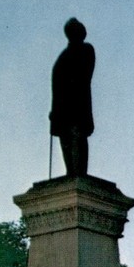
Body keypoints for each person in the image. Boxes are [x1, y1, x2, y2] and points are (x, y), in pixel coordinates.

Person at [50, 18, 95, 176]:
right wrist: (54, 108)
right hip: (62, 108)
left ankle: (78, 172)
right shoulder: (63, 57)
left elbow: (83, 76)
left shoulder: (86, 50)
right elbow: (56, 85)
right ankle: (71, 171)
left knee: (77, 136)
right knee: (65, 140)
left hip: (77, 104)